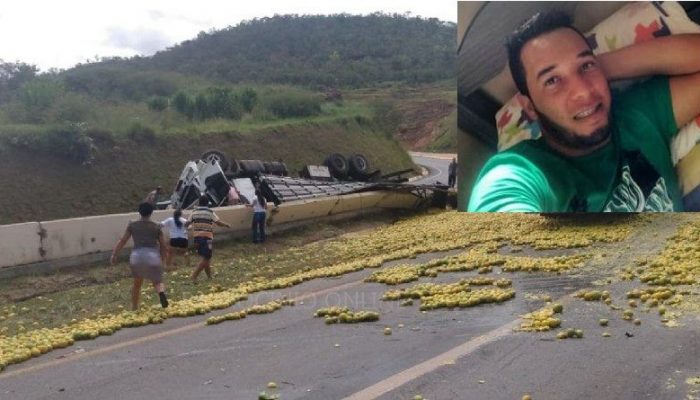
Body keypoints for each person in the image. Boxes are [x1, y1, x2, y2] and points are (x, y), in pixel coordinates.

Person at [468, 11, 700, 212]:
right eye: (552, 80)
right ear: (530, 107)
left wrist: (600, 67)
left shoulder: (638, 115)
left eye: (585, 66)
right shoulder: (519, 171)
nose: (583, 91)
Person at [110, 202, 169, 310]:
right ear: (151, 212)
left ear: (139, 211)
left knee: (137, 283)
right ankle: (161, 292)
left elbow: (123, 240)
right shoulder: (157, 226)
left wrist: (114, 254)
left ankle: (134, 308)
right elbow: (163, 245)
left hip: (136, 256)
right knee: (157, 281)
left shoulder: (132, 224)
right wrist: (163, 260)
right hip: (152, 256)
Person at [187, 195, 230, 282]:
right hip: (208, 238)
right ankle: (194, 276)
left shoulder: (194, 212)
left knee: (206, 257)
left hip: (197, 237)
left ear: (199, 203)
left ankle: (209, 277)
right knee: (207, 257)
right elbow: (218, 222)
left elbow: (188, 223)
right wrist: (226, 225)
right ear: (207, 203)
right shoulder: (210, 212)